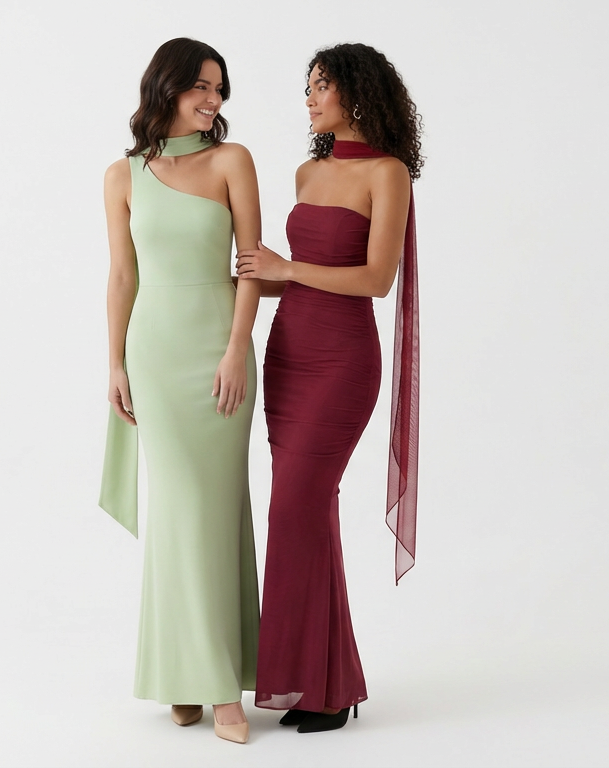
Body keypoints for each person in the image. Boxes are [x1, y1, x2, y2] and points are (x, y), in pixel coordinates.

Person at [236, 42, 423, 734]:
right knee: (300, 513)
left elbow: (376, 279)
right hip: (288, 352)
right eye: (308, 87)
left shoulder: (387, 173)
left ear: (357, 92)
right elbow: (289, 276)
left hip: (343, 361)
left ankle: (325, 683)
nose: (310, 98)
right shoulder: (307, 172)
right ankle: (320, 683)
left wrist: (288, 267)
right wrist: (243, 279)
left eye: (322, 86)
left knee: (298, 506)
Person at [98, 37, 263, 745]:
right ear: (166, 86)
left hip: (219, 349)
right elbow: (122, 276)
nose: (213, 100)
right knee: (177, 513)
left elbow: (251, 264)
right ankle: (189, 675)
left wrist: (236, 349)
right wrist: (114, 363)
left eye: (219, 89)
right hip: (156, 354)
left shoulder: (232, 161)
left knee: (215, 510)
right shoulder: (122, 175)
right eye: (202, 86)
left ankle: (218, 683)